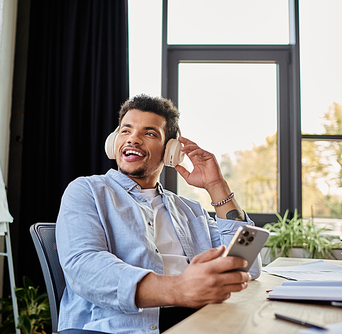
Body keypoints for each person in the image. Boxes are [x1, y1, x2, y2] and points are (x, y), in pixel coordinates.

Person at [55, 94, 262, 333]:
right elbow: (84, 267)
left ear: (170, 151)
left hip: (194, 322)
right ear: (113, 141)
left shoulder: (190, 209)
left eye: (149, 133)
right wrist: (180, 289)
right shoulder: (88, 191)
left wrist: (217, 186)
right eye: (126, 130)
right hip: (113, 327)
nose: (133, 139)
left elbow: (247, 266)